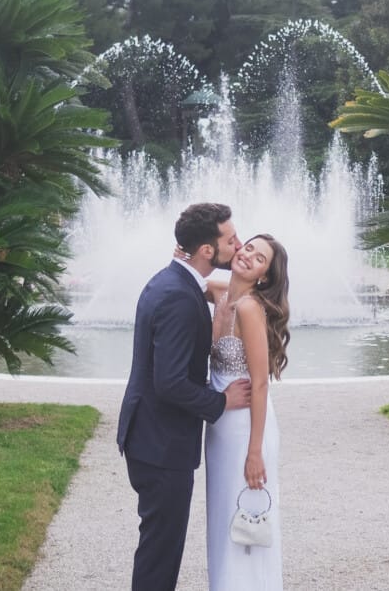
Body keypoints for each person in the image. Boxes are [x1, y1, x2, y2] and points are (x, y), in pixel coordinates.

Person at [117, 203, 253, 591]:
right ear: (207, 250)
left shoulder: (172, 280)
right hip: (160, 444)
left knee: (158, 546)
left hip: (149, 436)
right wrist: (222, 402)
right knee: (161, 552)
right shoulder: (179, 296)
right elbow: (171, 383)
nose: (239, 246)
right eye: (231, 240)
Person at [203, 233, 291, 590]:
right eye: (249, 248)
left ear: (264, 277)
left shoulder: (250, 308)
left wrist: (255, 453)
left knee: (247, 521)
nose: (248, 256)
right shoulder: (222, 293)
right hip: (220, 428)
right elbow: (198, 276)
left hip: (245, 428)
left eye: (259, 259)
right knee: (224, 517)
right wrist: (183, 252)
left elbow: (259, 383)